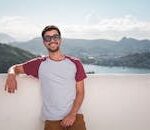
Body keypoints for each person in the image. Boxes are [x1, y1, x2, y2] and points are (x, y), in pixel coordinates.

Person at [5, 25, 87, 130]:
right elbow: (15, 68)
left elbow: (80, 92)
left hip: (75, 117)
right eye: (48, 38)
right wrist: (11, 75)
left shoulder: (75, 63)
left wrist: (72, 115)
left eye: (55, 37)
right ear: (44, 42)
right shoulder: (39, 64)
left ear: (60, 40)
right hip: (52, 120)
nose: (52, 40)